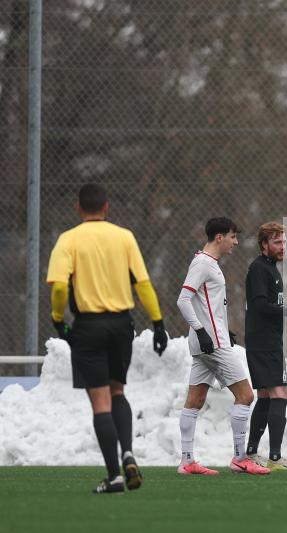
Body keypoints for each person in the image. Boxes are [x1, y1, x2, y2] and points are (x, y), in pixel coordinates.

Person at [47, 183, 169, 493]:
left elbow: (60, 288)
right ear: (106, 207)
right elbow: (142, 284)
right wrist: (158, 322)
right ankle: (128, 451)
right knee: (118, 390)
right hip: (120, 326)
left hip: (88, 326)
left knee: (99, 402)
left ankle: (114, 476)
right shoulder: (124, 237)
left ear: (78, 208)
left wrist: (59, 320)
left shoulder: (68, 240)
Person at [176, 217, 270, 476]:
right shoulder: (203, 264)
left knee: (195, 400)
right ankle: (240, 458)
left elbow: (205, 304)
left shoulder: (209, 264)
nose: (235, 242)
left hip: (209, 341)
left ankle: (186, 461)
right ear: (219, 237)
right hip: (212, 344)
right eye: (232, 237)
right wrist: (202, 331)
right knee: (246, 396)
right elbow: (183, 300)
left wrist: (220, 328)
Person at [244, 222, 287, 470]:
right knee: (281, 394)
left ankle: (251, 452)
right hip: (265, 343)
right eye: (277, 242)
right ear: (263, 245)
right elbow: (258, 305)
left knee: (266, 397)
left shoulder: (271, 269)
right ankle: (276, 458)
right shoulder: (260, 269)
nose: (283, 247)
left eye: (284, 242)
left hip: (265, 341)